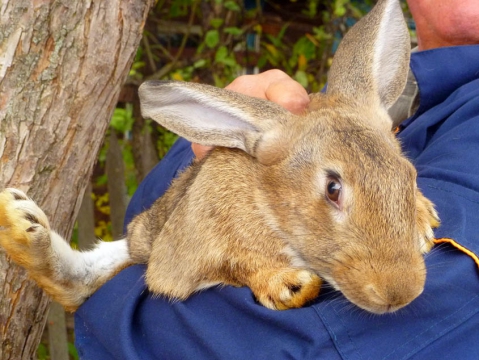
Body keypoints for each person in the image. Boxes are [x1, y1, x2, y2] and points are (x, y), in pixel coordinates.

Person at [74, 1, 479, 358]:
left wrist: (106, 300)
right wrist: (210, 150)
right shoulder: (333, 112)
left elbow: (283, 341)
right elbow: (146, 229)